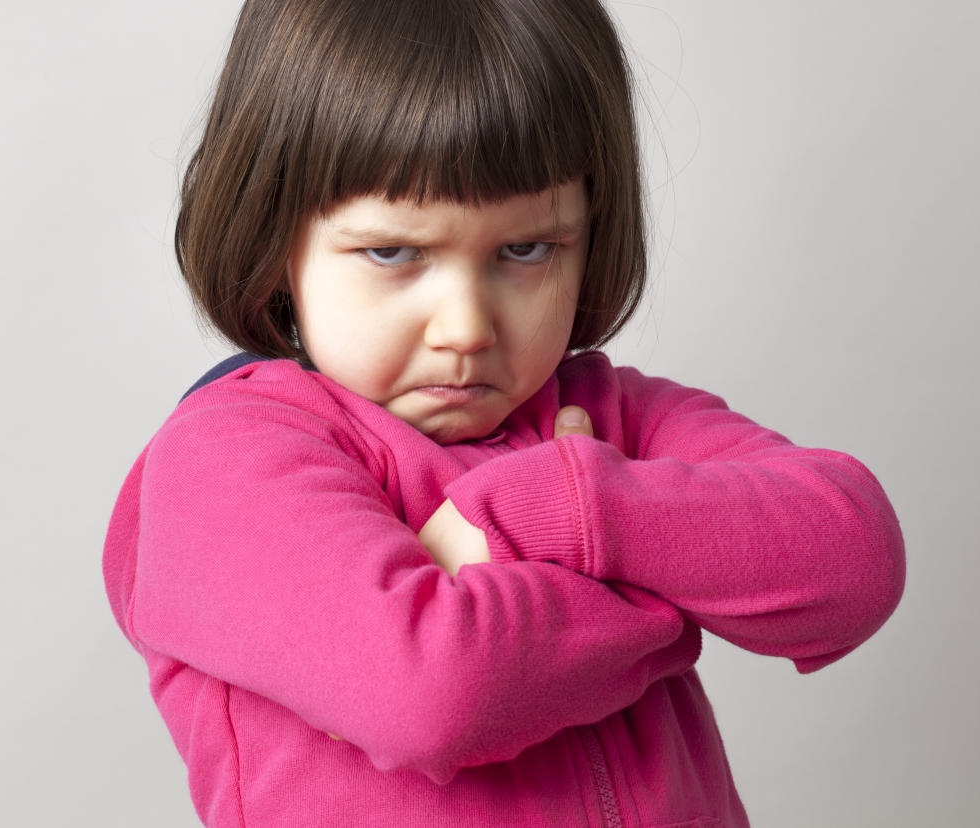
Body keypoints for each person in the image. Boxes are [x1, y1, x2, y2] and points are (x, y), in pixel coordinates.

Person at [102, 0, 906, 825]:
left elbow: (855, 559)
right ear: (275, 240)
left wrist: (555, 509)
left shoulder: (604, 411)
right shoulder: (223, 461)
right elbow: (433, 693)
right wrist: (666, 591)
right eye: (393, 252)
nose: (466, 329)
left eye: (526, 250)